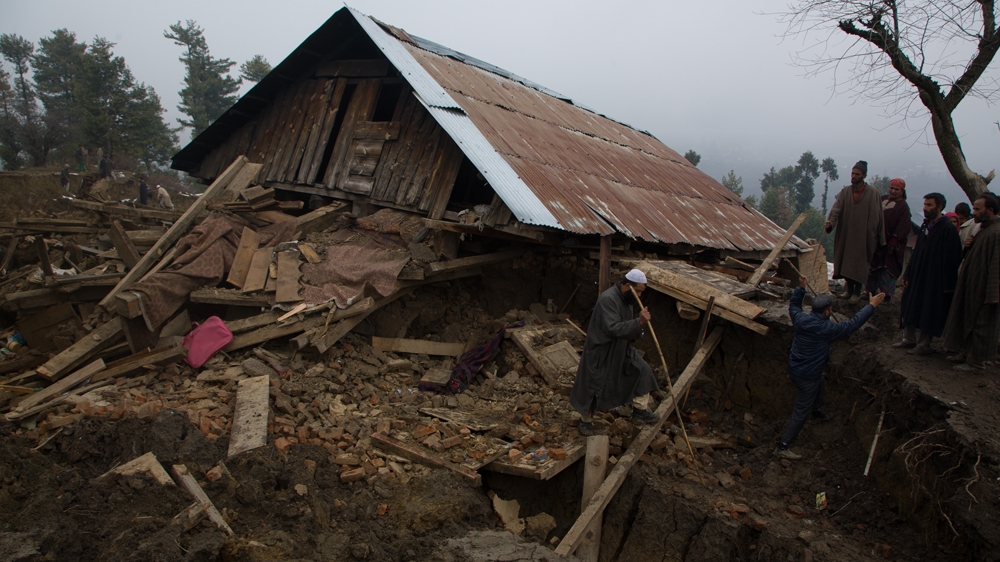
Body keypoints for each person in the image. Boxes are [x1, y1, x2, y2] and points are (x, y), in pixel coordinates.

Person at [775, 279, 886, 460]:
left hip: (795, 368)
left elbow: (794, 305)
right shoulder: (828, 329)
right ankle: (783, 446)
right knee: (801, 411)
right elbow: (853, 324)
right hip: (808, 376)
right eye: (831, 309)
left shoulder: (800, 319)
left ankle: (816, 412)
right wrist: (871, 306)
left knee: (820, 382)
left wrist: (801, 288)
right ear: (827, 312)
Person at [570, 269, 660, 436]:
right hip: (602, 349)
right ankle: (585, 421)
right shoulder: (608, 299)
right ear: (627, 285)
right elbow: (612, 328)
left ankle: (640, 410)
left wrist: (637, 328)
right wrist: (638, 322)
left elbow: (625, 326)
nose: (639, 295)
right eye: (638, 291)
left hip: (621, 347)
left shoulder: (627, 299)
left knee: (643, 370)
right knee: (594, 385)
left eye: (641, 292)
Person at [896, 193, 962, 355]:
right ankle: (908, 339)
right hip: (917, 276)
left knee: (929, 309)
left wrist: (944, 283)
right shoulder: (925, 226)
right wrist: (908, 273)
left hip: (934, 280)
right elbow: (917, 251)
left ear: (939, 207)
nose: (925, 208)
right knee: (910, 304)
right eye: (925, 204)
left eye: (929, 205)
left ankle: (923, 345)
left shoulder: (947, 229)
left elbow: (952, 258)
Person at [941, 193, 1000, 371]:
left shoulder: (996, 233)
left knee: (980, 325)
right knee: (966, 319)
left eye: (977, 209)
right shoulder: (983, 229)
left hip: (983, 289)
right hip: (972, 285)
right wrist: (969, 246)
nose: (973, 212)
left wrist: (992, 295)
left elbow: (996, 265)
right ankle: (965, 353)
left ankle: (976, 362)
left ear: (990, 210)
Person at [824, 160, 886, 303]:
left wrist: (876, 236)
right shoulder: (845, 192)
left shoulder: (872, 193)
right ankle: (849, 290)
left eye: (857, 174)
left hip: (864, 236)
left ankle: (857, 293)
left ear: (864, 176)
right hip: (846, 234)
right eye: (852, 173)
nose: (854, 176)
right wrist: (830, 223)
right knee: (846, 262)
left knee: (859, 264)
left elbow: (877, 216)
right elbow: (836, 210)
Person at [866, 178, 910, 300]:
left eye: (897, 189)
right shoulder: (882, 199)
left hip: (890, 245)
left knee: (887, 268)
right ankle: (869, 291)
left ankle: (886, 295)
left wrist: (893, 241)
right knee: (872, 266)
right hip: (876, 241)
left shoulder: (903, 207)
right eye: (891, 188)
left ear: (902, 191)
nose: (893, 191)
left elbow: (903, 226)